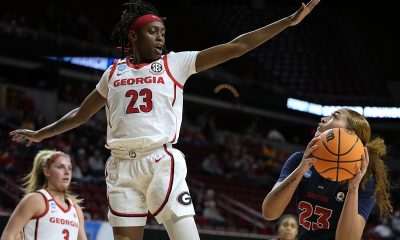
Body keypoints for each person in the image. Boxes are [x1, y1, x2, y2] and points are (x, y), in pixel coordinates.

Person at [9, 0, 320, 239]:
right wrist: (41, 134)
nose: (160, 39)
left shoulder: (175, 63)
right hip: (120, 166)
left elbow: (237, 47)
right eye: (153, 32)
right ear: (133, 35)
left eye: (162, 33)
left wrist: (288, 22)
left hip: (160, 161)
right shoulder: (113, 73)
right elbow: (80, 113)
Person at [262, 108, 393, 239]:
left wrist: (353, 188)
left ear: (349, 134)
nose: (323, 119)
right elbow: (269, 213)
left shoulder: (364, 180)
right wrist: (300, 170)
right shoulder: (298, 161)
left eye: (334, 117)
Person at [1, 150, 87, 240]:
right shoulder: (35, 200)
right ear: (47, 171)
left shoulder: (76, 210)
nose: (67, 172)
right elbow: (8, 236)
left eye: (70, 168)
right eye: (61, 167)